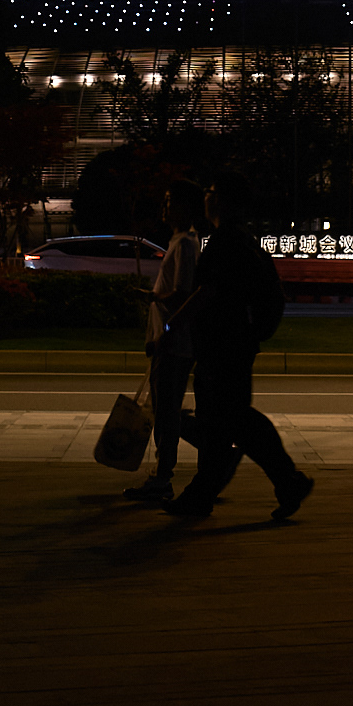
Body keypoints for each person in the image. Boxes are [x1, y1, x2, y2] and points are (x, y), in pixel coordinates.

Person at [159, 171, 313, 524]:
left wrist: (172, 326)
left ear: (224, 200)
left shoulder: (225, 241)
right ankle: (284, 483)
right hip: (235, 344)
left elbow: (207, 293)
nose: (205, 197)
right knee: (230, 422)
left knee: (230, 420)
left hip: (223, 346)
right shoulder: (242, 239)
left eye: (210, 192)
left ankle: (278, 483)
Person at [124, 182, 202, 504]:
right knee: (165, 410)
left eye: (171, 201)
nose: (165, 206)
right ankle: (215, 447)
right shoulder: (180, 241)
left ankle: (163, 479)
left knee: (165, 413)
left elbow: (184, 294)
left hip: (172, 342)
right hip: (170, 339)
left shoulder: (185, 243)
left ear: (186, 206)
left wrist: (163, 333)